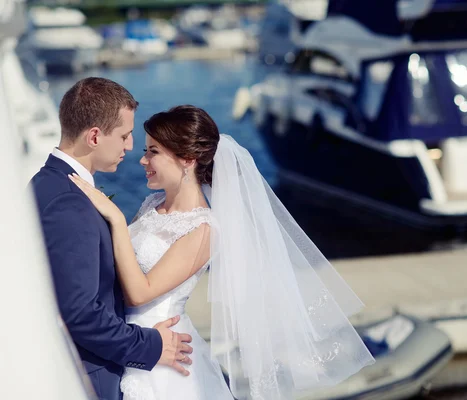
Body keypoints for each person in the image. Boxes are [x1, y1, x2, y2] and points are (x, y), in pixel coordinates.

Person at [69, 105, 376, 400]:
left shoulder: (204, 229)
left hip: (163, 352)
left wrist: (116, 220)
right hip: (128, 338)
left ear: (187, 159)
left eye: (153, 152)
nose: (143, 160)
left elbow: (139, 292)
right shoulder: (151, 205)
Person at [29, 78, 194, 400]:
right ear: (94, 136)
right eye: (124, 135)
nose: (130, 146)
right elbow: (79, 312)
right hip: (88, 378)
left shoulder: (47, 183)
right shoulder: (69, 202)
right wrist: (150, 345)